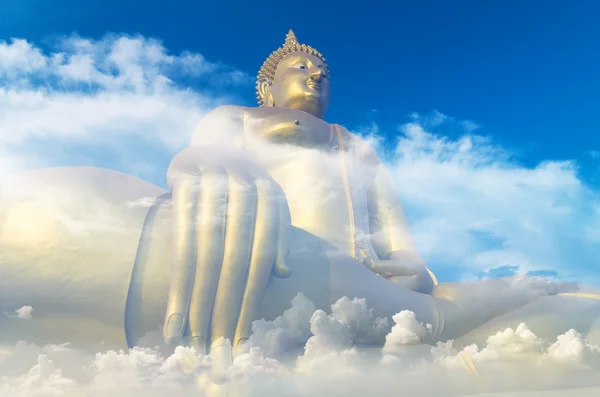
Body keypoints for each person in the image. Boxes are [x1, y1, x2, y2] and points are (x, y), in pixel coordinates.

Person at [1, 31, 599, 377]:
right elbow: (199, 156)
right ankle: (534, 296)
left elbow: (405, 251)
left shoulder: (355, 145)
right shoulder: (239, 119)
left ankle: (542, 290)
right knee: (453, 321)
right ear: (268, 85)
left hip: (371, 282)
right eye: (299, 67)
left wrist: (402, 272)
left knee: (464, 304)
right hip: (279, 254)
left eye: (321, 72)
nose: (313, 75)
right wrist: (211, 164)